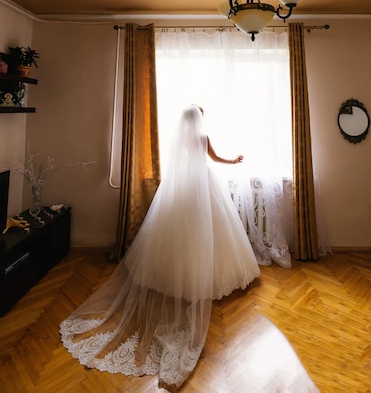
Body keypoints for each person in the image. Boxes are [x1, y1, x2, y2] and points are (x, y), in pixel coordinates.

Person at [60, 105, 260, 390]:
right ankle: (199, 277)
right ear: (199, 120)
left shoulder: (181, 140)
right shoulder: (202, 138)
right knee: (207, 232)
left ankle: (173, 275)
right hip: (202, 187)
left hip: (181, 189)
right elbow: (215, 158)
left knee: (178, 234)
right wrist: (234, 160)